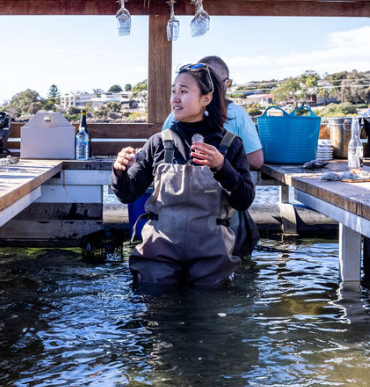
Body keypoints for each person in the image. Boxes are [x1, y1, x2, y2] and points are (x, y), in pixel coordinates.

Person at [111, 62, 255, 286]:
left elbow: (244, 200)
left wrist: (222, 165)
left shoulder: (230, 145)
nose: (175, 98)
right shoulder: (158, 142)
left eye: (184, 91)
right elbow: (128, 195)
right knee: (157, 314)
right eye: (173, 91)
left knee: (209, 314)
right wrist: (119, 172)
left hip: (212, 257)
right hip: (158, 254)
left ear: (206, 99)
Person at [161, 56, 263, 170]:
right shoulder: (238, 115)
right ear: (224, 83)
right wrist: (224, 160)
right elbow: (256, 160)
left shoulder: (173, 116)